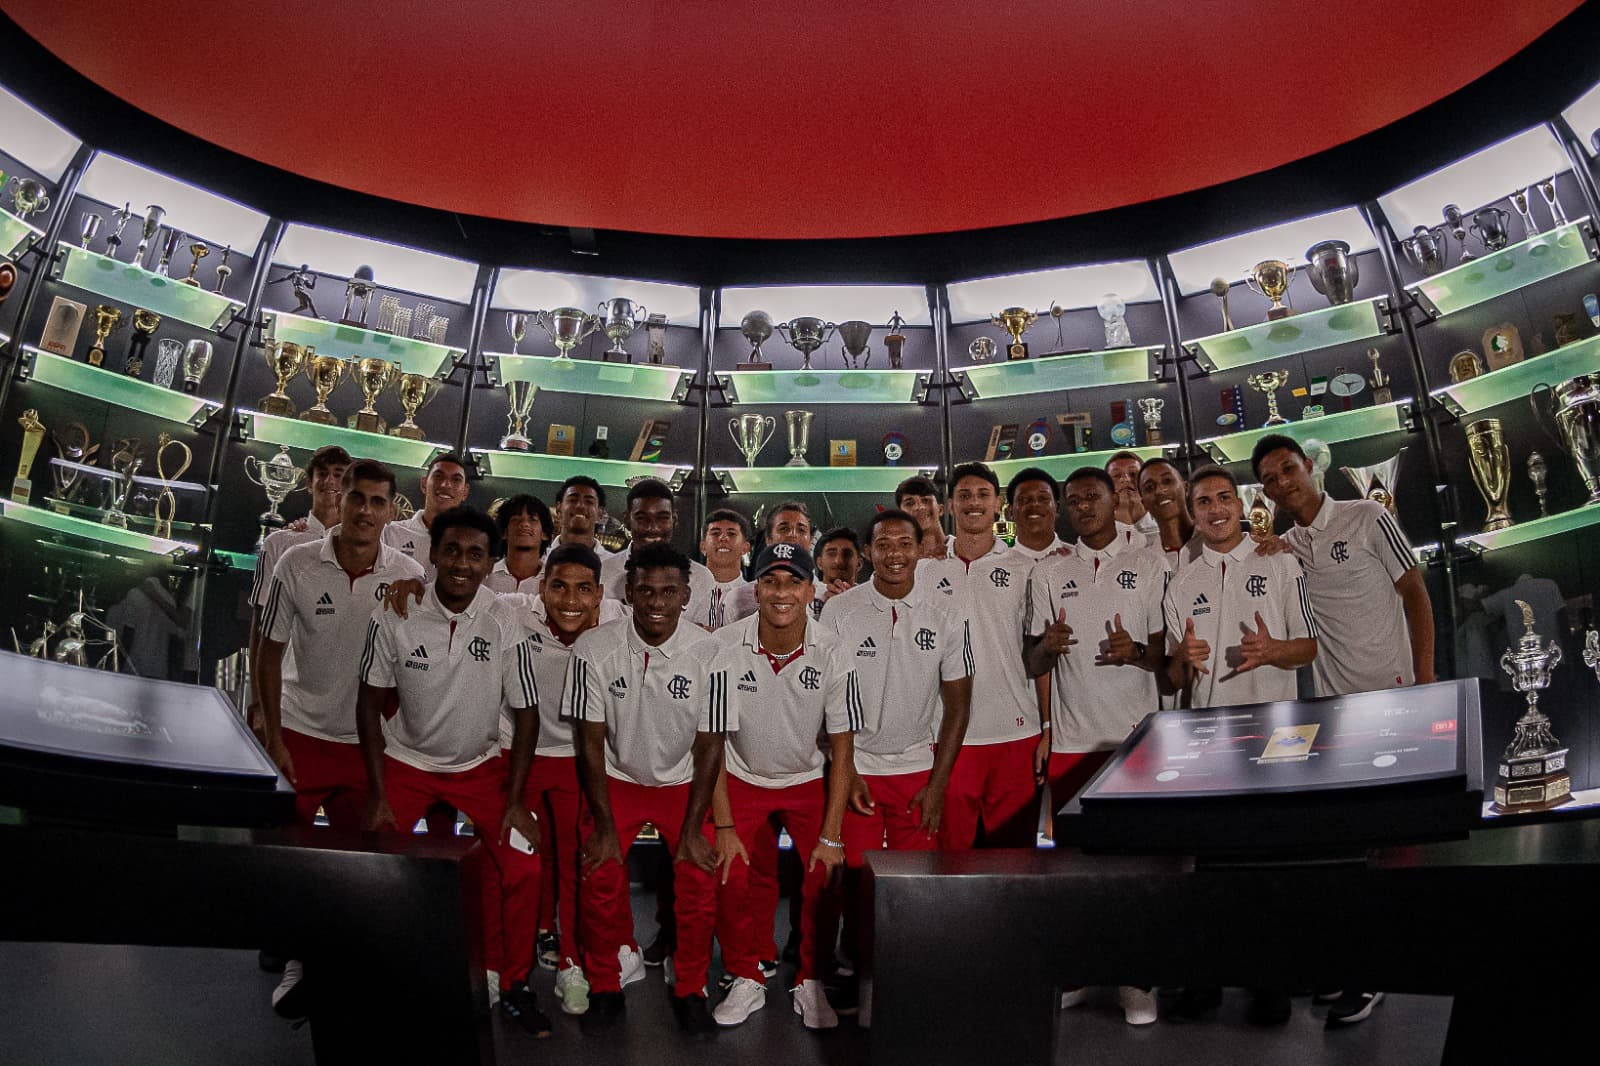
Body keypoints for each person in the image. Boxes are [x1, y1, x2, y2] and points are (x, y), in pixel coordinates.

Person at [1252, 433, 1435, 1028]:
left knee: (1393, 844)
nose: (1282, 483)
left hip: (1394, 697)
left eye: (1288, 469)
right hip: (1334, 710)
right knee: (1351, 844)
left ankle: (1378, 970)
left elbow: (1416, 593)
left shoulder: (1367, 516)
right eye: (1270, 479)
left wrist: (1426, 679)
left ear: (1310, 466)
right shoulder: (1290, 545)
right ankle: (1353, 961)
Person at [354, 507, 549, 1035]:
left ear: (490, 563)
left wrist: (516, 801)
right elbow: (368, 705)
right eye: (453, 551)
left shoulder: (504, 619)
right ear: (434, 555)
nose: (463, 563)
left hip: (479, 767)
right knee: (369, 864)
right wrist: (378, 794)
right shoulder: (395, 611)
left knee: (525, 868)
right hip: (407, 763)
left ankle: (514, 983)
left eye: (476, 554)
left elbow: (528, 713)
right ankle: (372, 976)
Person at [254, 459, 422, 1018]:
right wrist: (273, 735)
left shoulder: (408, 573)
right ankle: (298, 957)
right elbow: (268, 652)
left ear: (391, 511)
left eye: (378, 501)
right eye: (357, 497)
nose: (365, 510)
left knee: (362, 863)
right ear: (338, 498)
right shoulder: (296, 563)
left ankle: (346, 962)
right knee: (290, 859)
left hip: (369, 745)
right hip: (301, 733)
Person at [1160, 465, 1317, 1026]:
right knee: (1209, 867)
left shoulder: (1279, 561)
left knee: (1271, 866)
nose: (1216, 509)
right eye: (1203, 502)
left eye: (1224, 497)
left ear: (1238, 503)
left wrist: (1273, 651)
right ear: (1192, 512)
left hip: (1275, 729)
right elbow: (1174, 680)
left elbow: (1309, 647)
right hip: (1209, 735)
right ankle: (1205, 982)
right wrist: (1181, 661)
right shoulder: (1180, 581)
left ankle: (1270, 983)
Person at [566, 543, 726, 1035]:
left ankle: (691, 988)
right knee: (599, 873)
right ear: (629, 593)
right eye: (646, 591)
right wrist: (604, 825)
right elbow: (589, 741)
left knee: (698, 880)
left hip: (683, 782)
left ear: (686, 596)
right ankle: (605, 985)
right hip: (617, 779)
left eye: (669, 592)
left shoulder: (712, 652)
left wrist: (696, 827)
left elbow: (711, 743)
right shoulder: (592, 649)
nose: (657, 602)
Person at [821, 509, 973, 1025]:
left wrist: (938, 784)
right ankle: (857, 972)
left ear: (920, 549)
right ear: (867, 552)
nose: (894, 554)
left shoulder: (945, 612)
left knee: (913, 885)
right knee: (856, 881)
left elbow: (958, 706)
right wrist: (846, 770)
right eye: (883, 545)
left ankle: (909, 974)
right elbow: (826, 698)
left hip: (916, 771)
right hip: (856, 769)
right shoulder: (839, 611)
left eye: (904, 544)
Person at [1024, 467, 1164, 1026]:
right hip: (1073, 742)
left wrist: (1137, 653)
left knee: (1137, 871)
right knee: (1075, 869)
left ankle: (1137, 979)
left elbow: (1167, 660)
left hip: (1136, 740)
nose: (1083, 506)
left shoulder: (1148, 562)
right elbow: (1032, 659)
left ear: (1113, 499)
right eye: (1074, 499)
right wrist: (1048, 647)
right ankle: (1079, 971)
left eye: (1092, 496)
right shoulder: (1049, 571)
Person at [704, 544, 859, 1029]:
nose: (781, 592)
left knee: (825, 874)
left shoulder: (835, 650)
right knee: (729, 869)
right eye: (770, 581)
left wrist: (832, 835)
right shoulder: (723, 646)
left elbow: (843, 747)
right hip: (741, 774)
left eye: (794, 582)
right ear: (756, 589)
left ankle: (811, 977)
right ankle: (746, 972)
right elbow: (711, 743)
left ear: (812, 591)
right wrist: (724, 826)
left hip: (807, 777)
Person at [918, 463, 1041, 849]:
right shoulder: (924, 571)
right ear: (951, 505)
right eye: (965, 495)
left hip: (1015, 731)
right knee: (949, 858)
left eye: (983, 495)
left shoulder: (1025, 568)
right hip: (947, 735)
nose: (974, 502)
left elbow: (1037, 651)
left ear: (998, 504)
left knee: (1015, 858)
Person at [246, 445, 351, 738]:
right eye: (322, 474)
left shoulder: (363, 548)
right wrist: (259, 702)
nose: (329, 481)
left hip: (342, 710)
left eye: (338, 475)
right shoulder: (279, 543)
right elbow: (260, 627)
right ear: (308, 483)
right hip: (285, 699)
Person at [598, 478, 715, 611]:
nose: (653, 527)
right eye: (642, 518)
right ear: (627, 520)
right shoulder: (603, 573)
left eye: (662, 518)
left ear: (674, 520)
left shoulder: (701, 578)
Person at [383, 452, 470, 581]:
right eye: (439, 476)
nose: (446, 485)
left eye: (456, 479)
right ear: (424, 484)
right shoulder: (390, 533)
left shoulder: (473, 543)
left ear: (465, 492)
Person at [697, 508, 756, 630]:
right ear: (703, 547)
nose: (723, 538)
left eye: (731, 534)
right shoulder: (685, 593)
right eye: (715, 533)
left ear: (745, 548)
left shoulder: (754, 597)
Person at [486, 494, 552, 594]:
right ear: (504, 532)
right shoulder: (485, 577)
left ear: (545, 533)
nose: (524, 524)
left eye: (532, 519)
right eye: (516, 519)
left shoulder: (552, 580)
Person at [1138, 457, 1195, 557]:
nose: (1159, 491)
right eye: (1149, 487)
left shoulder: (1215, 542)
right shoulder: (1142, 560)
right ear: (1144, 504)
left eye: (1167, 481)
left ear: (1186, 488)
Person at [549, 476, 612, 558]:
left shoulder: (615, 563)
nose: (580, 506)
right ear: (558, 508)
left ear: (600, 513)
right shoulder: (539, 559)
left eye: (589, 502)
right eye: (573, 500)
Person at [814, 526, 864, 618]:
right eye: (831, 554)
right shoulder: (804, 597)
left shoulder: (871, 599)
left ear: (859, 564)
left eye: (847, 554)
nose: (839, 561)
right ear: (819, 563)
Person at [1107, 450, 1157, 538]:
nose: (1125, 479)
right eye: (1116, 475)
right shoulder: (1094, 533)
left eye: (1133, 474)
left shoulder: (1166, 526)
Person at [894, 475, 947, 558]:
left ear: (940, 510)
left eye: (925, 500)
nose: (919, 507)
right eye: (910, 503)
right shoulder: (896, 559)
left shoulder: (962, 550)